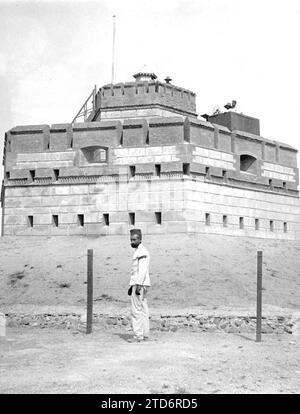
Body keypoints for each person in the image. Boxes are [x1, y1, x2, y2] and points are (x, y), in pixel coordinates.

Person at [128, 228, 150, 343]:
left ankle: (138, 335)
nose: (132, 242)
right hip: (141, 283)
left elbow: (142, 270)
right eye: (131, 240)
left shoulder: (141, 252)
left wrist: (137, 285)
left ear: (140, 239)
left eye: (134, 240)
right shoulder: (139, 251)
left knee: (136, 310)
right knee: (143, 309)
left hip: (140, 284)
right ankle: (145, 334)